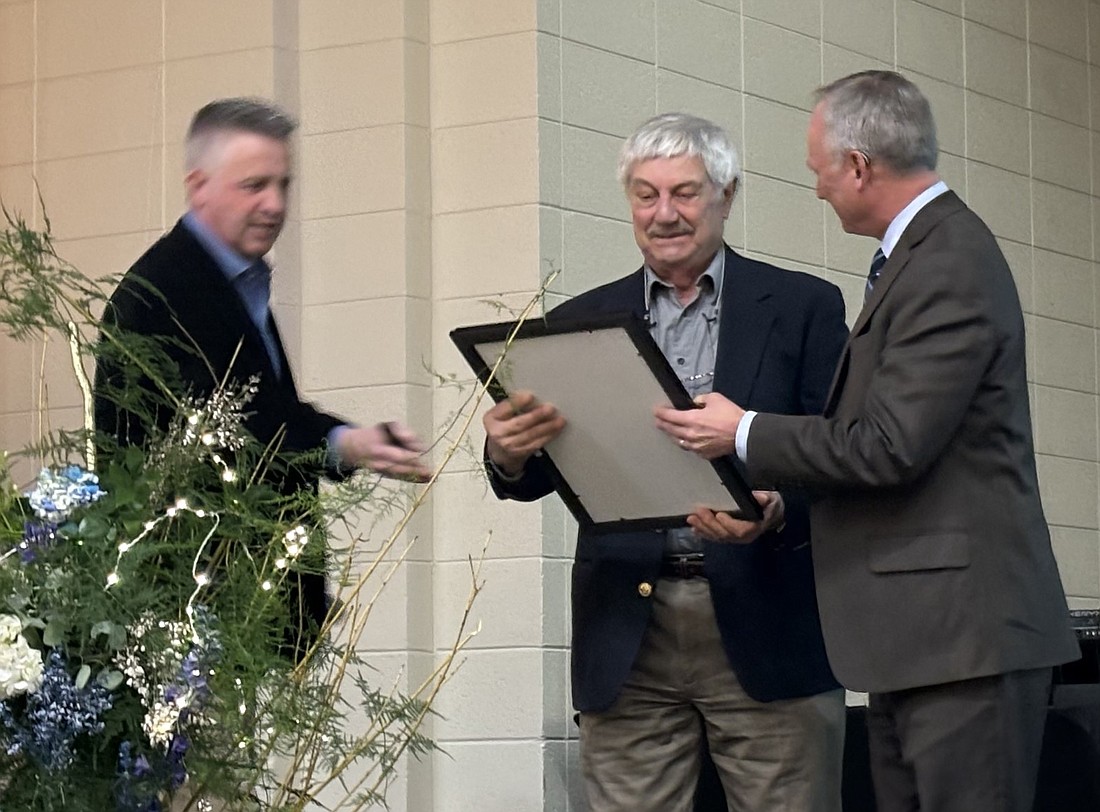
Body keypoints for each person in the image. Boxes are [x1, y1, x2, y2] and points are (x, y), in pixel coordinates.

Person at [656, 72, 1081, 812]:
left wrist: (743, 429)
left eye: (819, 168)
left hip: (962, 642)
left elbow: (890, 444)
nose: (817, 187)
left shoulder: (948, 260)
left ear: (857, 166)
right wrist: (778, 507)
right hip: (917, 644)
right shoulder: (919, 255)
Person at [483, 113, 850, 812]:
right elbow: (535, 472)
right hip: (626, 626)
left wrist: (775, 509)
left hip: (768, 620)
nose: (664, 214)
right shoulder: (578, 319)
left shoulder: (802, 307)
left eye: (684, 193)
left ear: (727, 194)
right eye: (645, 196)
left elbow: (843, 457)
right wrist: (505, 452)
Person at [94, 97, 429, 651]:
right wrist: (341, 446)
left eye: (284, 184)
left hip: (247, 620)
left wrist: (351, 442)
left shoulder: (229, 281)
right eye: (254, 185)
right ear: (198, 185)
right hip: (192, 618)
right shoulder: (163, 295)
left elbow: (261, 411)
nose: (275, 205)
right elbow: (233, 432)